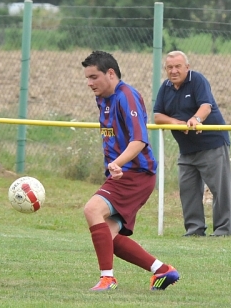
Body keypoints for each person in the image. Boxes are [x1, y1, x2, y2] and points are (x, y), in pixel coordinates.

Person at [81, 51, 180, 291]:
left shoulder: (128, 96)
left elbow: (139, 140)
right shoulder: (103, 97)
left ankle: (108, 278)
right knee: (108, 237)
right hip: (123, 174)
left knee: (92, 209)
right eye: (87, 78)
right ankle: (163, 270)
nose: (89, 83)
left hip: (135, 174)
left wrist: (118, 162)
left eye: (94, 76)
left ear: (111, 73)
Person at [153, 50, 231, 237]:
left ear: (187, 67)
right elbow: (157, 116)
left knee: (219, 190)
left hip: (212, 144)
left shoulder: (197, 80)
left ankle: (223, 232)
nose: (173, 71)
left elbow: (206, 106)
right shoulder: (165, 87)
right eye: (169, 67)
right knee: (187, 191)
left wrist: (195, 119)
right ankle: (195, 230)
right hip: (186, 150)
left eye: (177, 67)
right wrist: (176, 123)